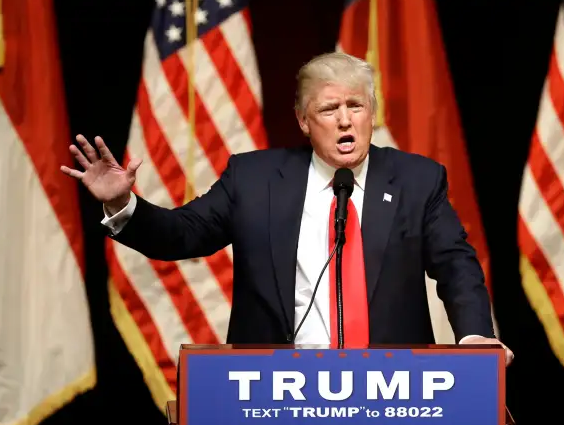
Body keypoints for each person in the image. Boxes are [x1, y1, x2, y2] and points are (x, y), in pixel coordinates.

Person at [61, 52, 513, 364]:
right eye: (328, 108)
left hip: (392, 397)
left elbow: (456, 264)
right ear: (302, 120)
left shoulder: (418, 180)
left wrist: (474, 332)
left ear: (372, 113)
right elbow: (182, 234)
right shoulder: (255, 180)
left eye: (356, 106)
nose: (344, 120)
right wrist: (123, 202)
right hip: (280, 399)